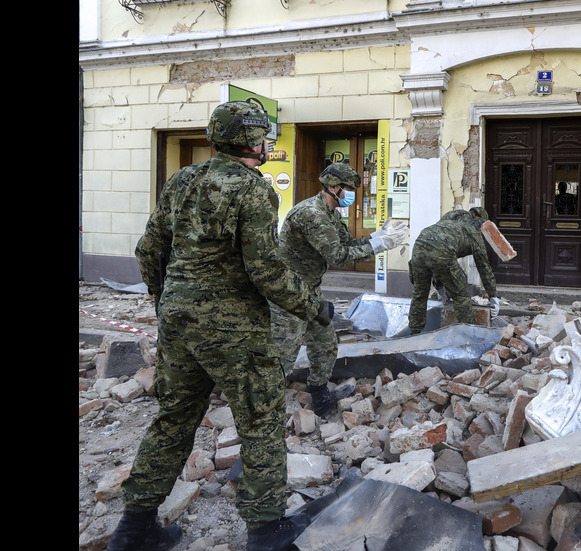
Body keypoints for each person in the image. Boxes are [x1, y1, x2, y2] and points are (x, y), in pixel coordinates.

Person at [109, 100, 331, 551]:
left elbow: (148, 249)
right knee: (260, 419)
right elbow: (266, 270)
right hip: (233, 327)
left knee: (174, 418)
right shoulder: (252, 189)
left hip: (177, 320)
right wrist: (313, 307)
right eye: (263, 136)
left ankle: (133, 531)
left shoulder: (182, 179)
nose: (267, 143)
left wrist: (164, 299)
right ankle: (267, 534)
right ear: (252, 140)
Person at [271, 161, 407, 417]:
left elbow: (347, 242)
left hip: (308, 290)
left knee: (324, 343)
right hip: (287, 292)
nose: (353, 194)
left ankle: (320, 396)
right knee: (283, 354)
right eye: (349, 188)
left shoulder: (331, 212)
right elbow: (339, 256)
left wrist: (375, 236)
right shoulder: (313, 214)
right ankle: (265, 413)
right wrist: (380, 246)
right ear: (334, 187)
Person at [407, 207, 501, 335]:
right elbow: (484, 268)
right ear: (481, 227)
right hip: (442, 251)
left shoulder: (450, 220)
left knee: (419, 294)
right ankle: (467, 336)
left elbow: (435, 245)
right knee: (461, 296)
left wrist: (439, 286)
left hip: (419, 245)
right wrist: (493, 297)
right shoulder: (474, 235)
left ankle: (414, 333)